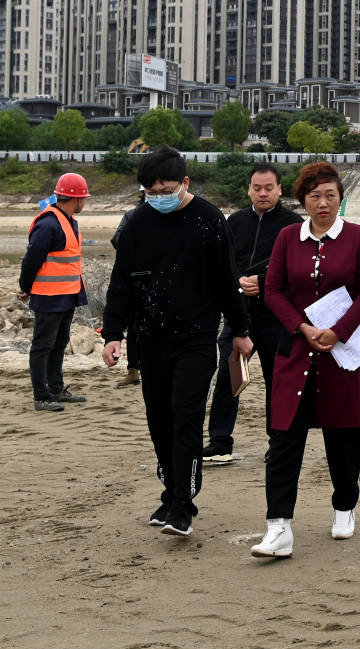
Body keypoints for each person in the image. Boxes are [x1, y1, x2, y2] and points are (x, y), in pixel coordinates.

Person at [102, 146, 253, 538]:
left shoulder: (208, 220)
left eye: (165, 189)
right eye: (150, 191)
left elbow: (226, 279)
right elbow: (122, 284)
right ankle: (170, 493)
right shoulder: (137, 222)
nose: (158, 197)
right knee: (159, 422)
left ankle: (184, 505)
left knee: (185, 418)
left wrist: (240, 331)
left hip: (196, 339)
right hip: (150, 339)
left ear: (184, 183)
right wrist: (113, 334)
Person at [250, 162, 360, 559]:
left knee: (344, 437)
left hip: (344, 351)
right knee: (285, 438)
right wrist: (302, 328)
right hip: (297, 350)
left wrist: (338, 331)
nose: (322, 203)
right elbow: (273, 290)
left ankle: (344, 506)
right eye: (314, 196)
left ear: (341, 198)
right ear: (302, 199)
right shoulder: (288, 236)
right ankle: (278, 528)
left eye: (330, 195)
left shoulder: (358, 237)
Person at [203, 163, 302, 465]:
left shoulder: (293, 224)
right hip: (238, 316)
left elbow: (298, 272)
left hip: (276, 317)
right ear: (248, 189)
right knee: (228, 378)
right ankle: (220, 443)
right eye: (257, 188)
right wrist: (236, 282)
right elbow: (222, 262)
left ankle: (277, 442)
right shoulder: (235, 221)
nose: (262, 193)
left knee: (277, 381)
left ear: (279, 189)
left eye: (268, 188)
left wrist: (265, 282)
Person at [19, 173, 91, 412]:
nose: (84, 203)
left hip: (66, 294)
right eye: (84, 199)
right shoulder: (49, 223)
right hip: (49, 295)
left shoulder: (68, 220)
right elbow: (31, 259)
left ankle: (56, 389)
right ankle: (41, 396)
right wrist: (25, 287)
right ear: (76, 199)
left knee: (59, 342)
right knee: (42, 345)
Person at [110, 192, 144, 387]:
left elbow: (117, 241)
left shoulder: (131, 215)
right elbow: (118, 241)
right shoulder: (132, 215)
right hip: (139, 279)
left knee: (134, 328)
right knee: (134, 327)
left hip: (136, 278)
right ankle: (134, 370)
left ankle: (134, 370)